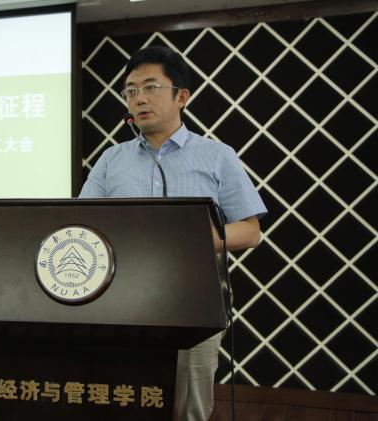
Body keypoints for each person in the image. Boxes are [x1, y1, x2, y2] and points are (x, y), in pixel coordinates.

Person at [79, 46, 267, 420]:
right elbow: (83, 227)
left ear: (182, 96)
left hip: (194, 301)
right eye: (130, 91)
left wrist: (185, 241)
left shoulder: (218, 156)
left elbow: (250, 232)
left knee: (188, 407)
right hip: (118, 302)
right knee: (123, 397)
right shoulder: (110, 160)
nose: (139, 99)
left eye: (151, 87)